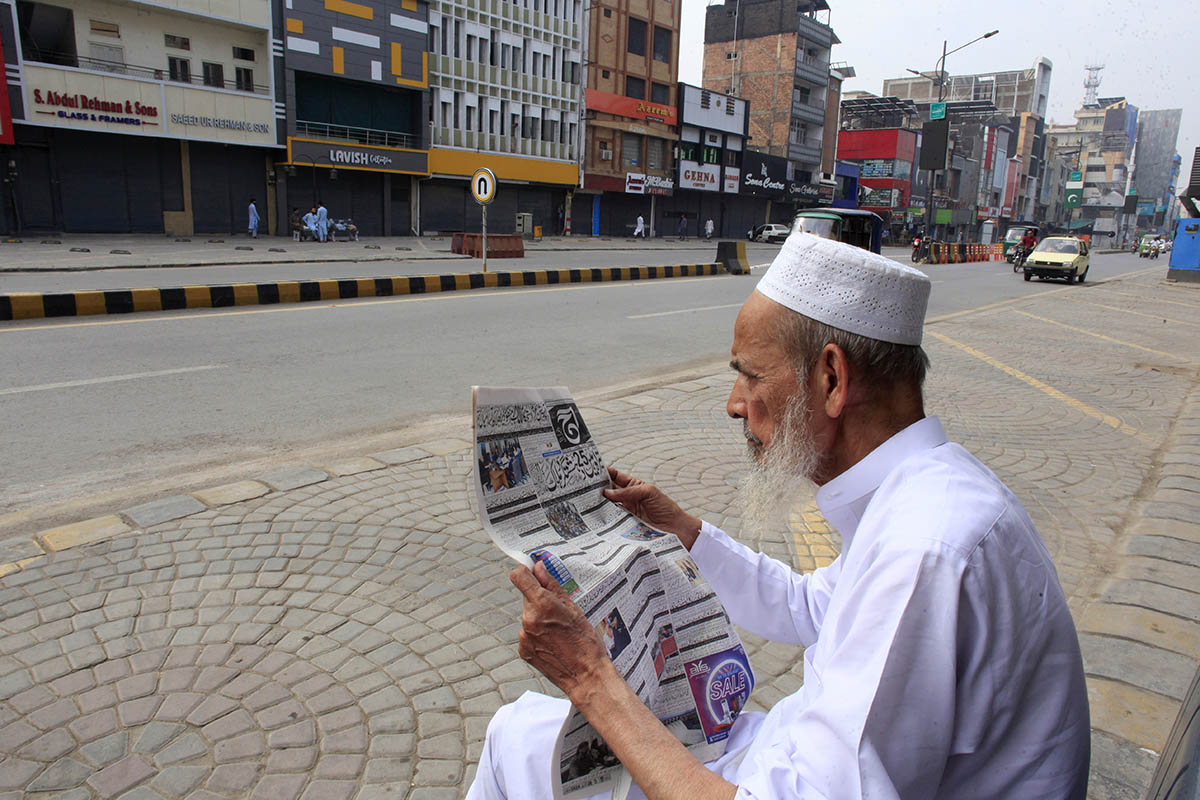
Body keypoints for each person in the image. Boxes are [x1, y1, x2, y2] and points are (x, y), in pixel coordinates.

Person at [468, 232, 1091, 800]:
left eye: (750, 376)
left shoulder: (925, 547)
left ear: (830, 378)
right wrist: (681, 531)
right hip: (789, 754)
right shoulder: (924, 497)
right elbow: (810, 607)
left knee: (512, 744)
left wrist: (590, 678)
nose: (735, 405)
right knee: (519, 732)